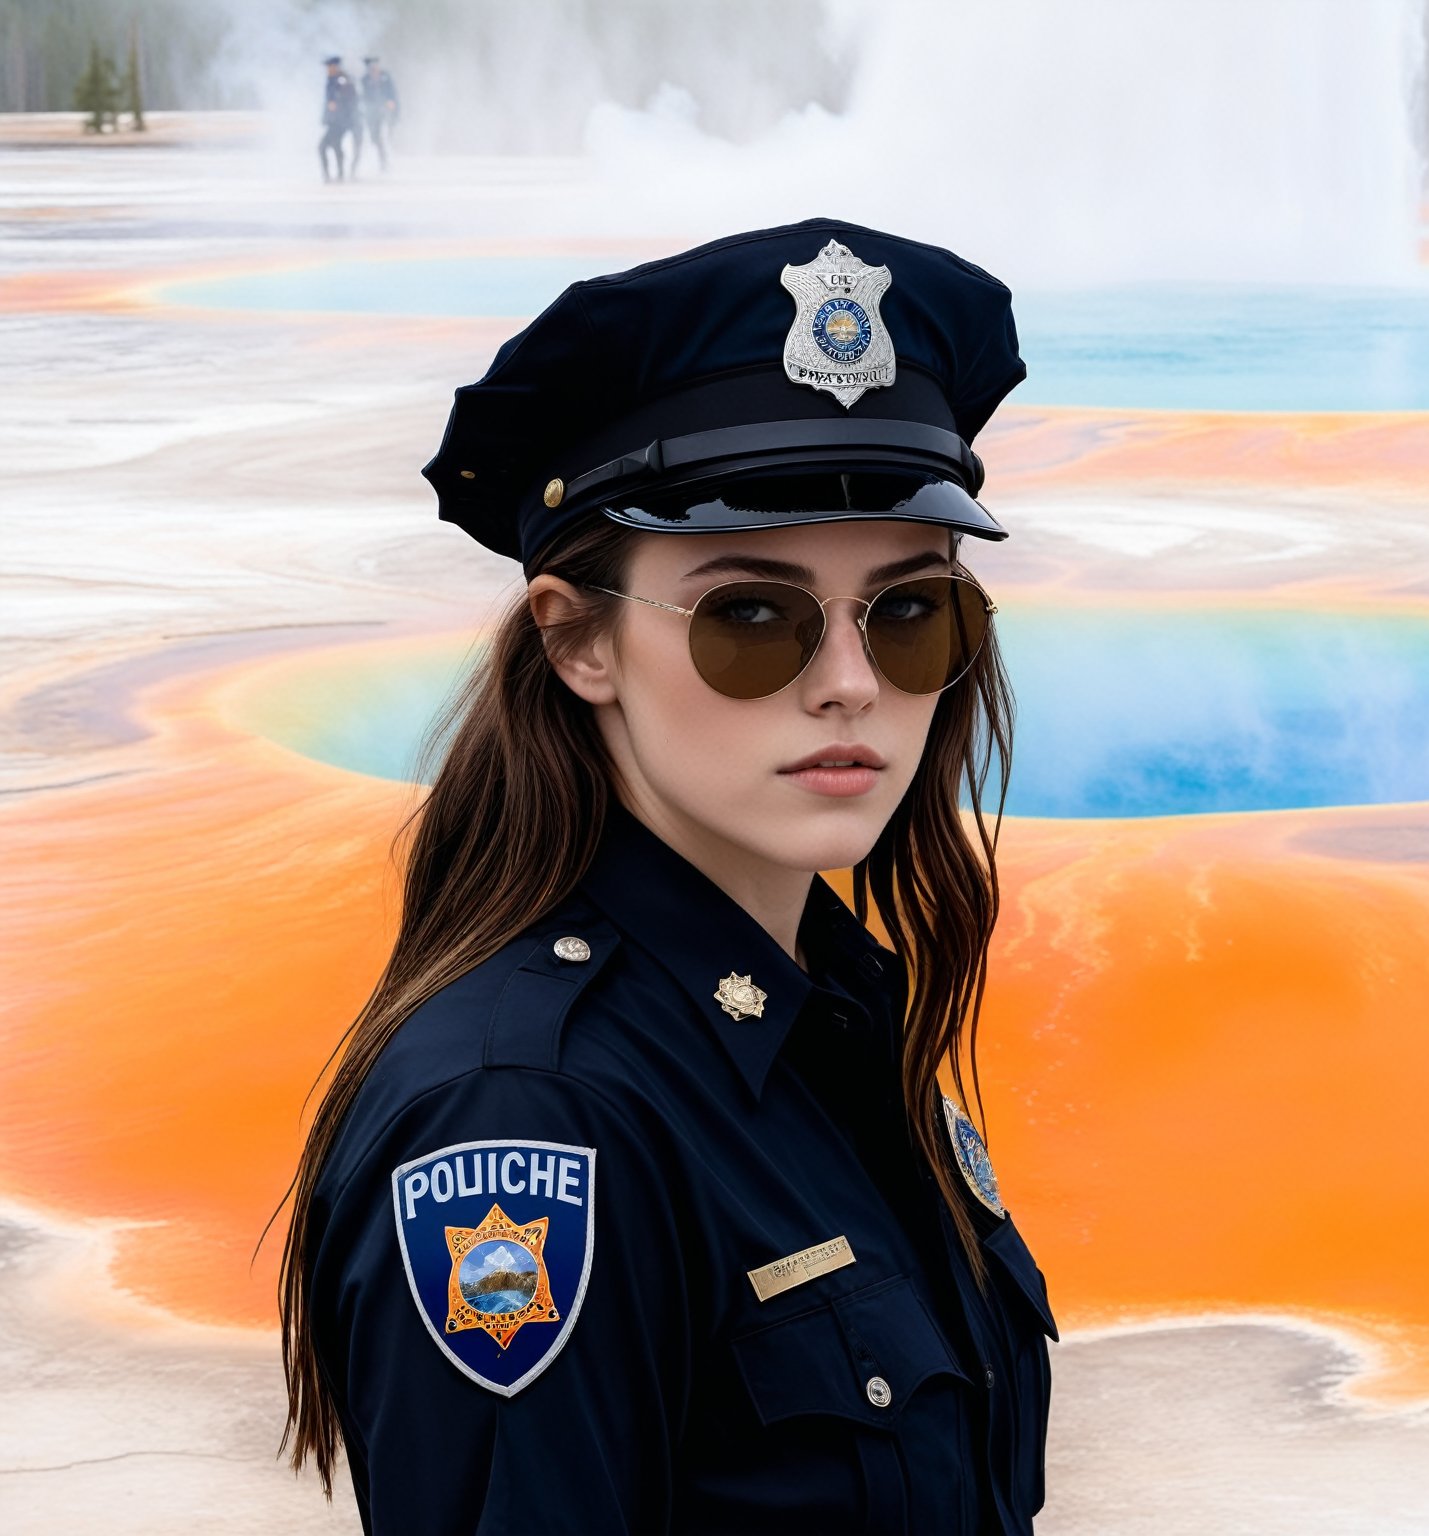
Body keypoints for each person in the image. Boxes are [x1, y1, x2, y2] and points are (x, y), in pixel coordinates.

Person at [279, 218, 1059, 1533]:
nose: (852, 685)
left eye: (911, 609)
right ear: (579, 641)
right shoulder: (531, 1124)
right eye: (754, 616)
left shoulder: (830, 1011)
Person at [355, 55, 399, 175]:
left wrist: (391, 104)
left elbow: (392, 92)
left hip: (385, 111)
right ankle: (381, 158)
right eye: (371, 67)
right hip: (371, 112)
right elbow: (364, 96)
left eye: (375, 66)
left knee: (384, 134)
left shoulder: (385, 77)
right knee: (375, 137)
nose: (374, 68)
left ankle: (386, 161)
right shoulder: (365, 80)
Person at [318, 55, 358, 183]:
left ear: (335, 66)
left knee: (324, 146)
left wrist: (338, 103)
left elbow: (351, 99)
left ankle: (335, 175)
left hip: (341, 121)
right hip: (333, 121)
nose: (328, 69)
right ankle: (333, 174)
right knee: (332, 146)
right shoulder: (331, 80)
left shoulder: (342, 80)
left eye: (329, 67)